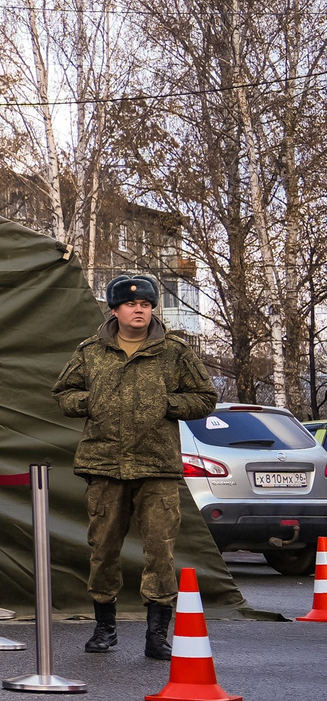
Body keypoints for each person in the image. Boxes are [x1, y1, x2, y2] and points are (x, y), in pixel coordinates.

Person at [53, 273, 217, 661]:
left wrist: (168, 404)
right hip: (104, 463)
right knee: (103, 549)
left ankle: (157, 633)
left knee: (160, 551)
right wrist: (90, 403)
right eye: (130, 304)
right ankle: (104, 628)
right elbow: (63, 393)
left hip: (156, 466)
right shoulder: (91, 351)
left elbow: (205, 397)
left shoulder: (174, 352)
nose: (139, 309)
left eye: (145, 303)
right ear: (115, 310)